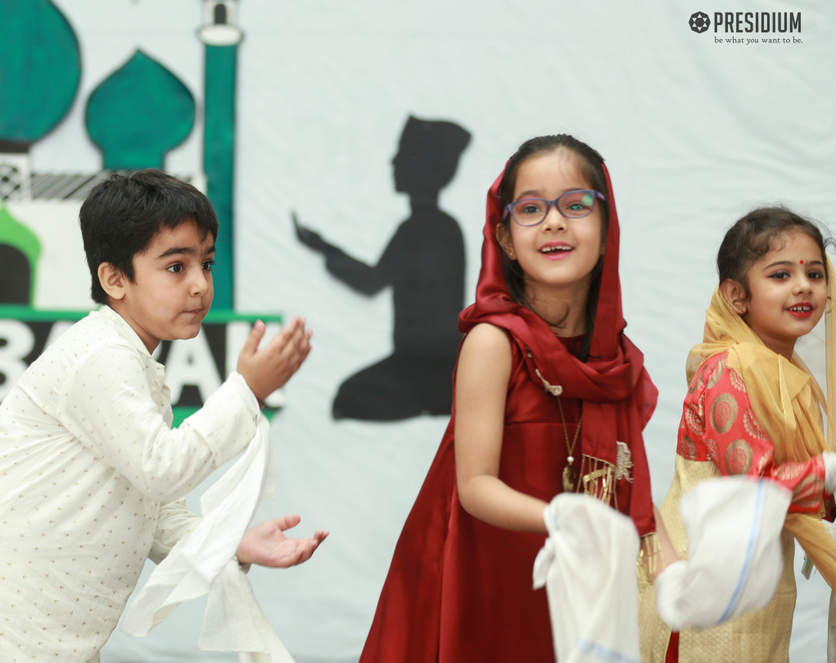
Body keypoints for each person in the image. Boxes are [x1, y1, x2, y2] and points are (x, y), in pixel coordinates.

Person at [0, 169, 324, 662]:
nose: (199, 286)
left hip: (34, 634)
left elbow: (154, 514)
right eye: (175, 267)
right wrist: (247, 391)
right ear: (114, 279)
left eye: (205, 264)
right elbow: (161, 469)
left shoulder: (131, 362)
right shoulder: (100, 353)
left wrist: (235, 544)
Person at [359, 134, 659, 662]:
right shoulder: (493, 342)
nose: (554, 222)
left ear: (607, 228)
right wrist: (565, 519)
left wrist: (673, 563)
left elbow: (626, 492)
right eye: (531, 209)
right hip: (485, 577)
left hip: (573, 582)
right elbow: (475, 486)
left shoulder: (614, 360)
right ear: (503, 235)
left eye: (576, 204)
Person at [639, 207, 836, 663]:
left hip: (755, 585)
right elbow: (754, 489)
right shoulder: (729, 369)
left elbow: (799, 491)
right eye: (781, 274)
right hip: (703, 588)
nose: (804, 285)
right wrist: (828, 471)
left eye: (815, 273)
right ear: (736, 295)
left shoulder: (788, 376)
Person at [294, 115, 470, 420]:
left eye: (403, 155)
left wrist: (323, 248)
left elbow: (371, 281)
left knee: (347, 400)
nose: (393, 162)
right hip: (427, 368)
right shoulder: (435, 226)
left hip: (429, 372)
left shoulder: (424, 228)